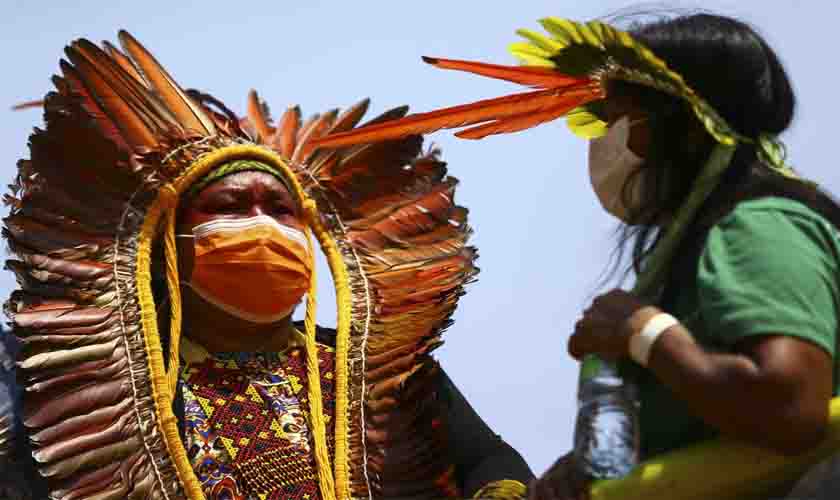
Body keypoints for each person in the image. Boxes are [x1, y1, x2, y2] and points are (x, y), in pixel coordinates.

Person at [311, 12, 840, 500]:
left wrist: (646, 334)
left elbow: (791, 409)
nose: (604, 139)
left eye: (616, 118)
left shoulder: (758, 225)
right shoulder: (688, 250)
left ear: (678, 125)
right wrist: (587, 470)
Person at [1, 32, 532, 499]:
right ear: (168, 243)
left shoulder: (378, 373)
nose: (264, 226)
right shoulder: (96, 382)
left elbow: (492, 461)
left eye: (282, 211)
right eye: (231, 208)